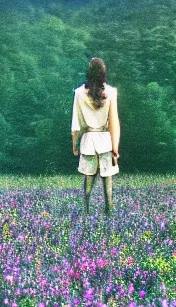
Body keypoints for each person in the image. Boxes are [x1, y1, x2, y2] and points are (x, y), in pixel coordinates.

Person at [71, 57, 120, 217]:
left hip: (88, 141)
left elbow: (76, 124)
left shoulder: (79, 93)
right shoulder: (111, 92)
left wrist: (75, 144)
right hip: (105, 140)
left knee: (88, 183)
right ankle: (109, 214)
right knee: (108, 184)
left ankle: (85, 213)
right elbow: (114, 122)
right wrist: (115, 148)